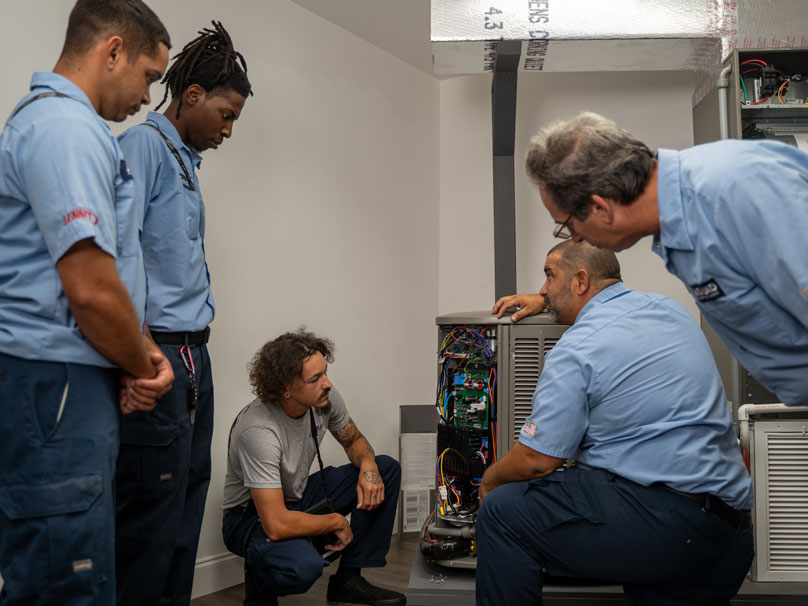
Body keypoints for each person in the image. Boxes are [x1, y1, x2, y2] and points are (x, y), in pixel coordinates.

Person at [0, 1, 171, 603]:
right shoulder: (66, 129)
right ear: (113, 51)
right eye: (150, 77)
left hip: (63, 384)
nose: (149, 97)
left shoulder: (67, 128)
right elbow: (92, 291)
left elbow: (106, 278)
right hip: (55, 387)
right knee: (63, 580)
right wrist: (142, 364)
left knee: (72, 566)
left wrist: (140, 349)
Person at [475, 241, 754, 606]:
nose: (542, 289)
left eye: (548, 276)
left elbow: (536, 461)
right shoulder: (668, 309)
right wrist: (549, 301)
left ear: (579, 281)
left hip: (665, 529)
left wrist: (489, 481)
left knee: (503, 511)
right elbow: (599, 299)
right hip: (728, 534)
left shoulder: (576, 350)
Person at [524, 111, 808, 406]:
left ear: (600, 208)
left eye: (568, 225)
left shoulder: (732, 193)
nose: (576, 239)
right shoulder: (679, 227)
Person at [114, 21, 252, 606]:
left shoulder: (186, 164)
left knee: (188, 497)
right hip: (161, 353)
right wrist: (138, 355)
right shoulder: (143, 148)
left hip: (196, 352)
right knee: (151, 511)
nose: (226, 130)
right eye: (225, 114)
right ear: (192, 94)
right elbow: (120, 255)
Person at [222, 329, 406, 606]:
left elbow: (354, 439)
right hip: (251, 518)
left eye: (325, 372)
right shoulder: (258, 430)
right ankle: (260, 591)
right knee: (303, 567)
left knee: (385, 469)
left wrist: (369, 467)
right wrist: (335, 521)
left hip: (298, 495)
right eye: (315, 378)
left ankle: (348, 580)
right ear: (285, 388)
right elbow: (275, 523)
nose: (328, 383)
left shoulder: (324, 399)